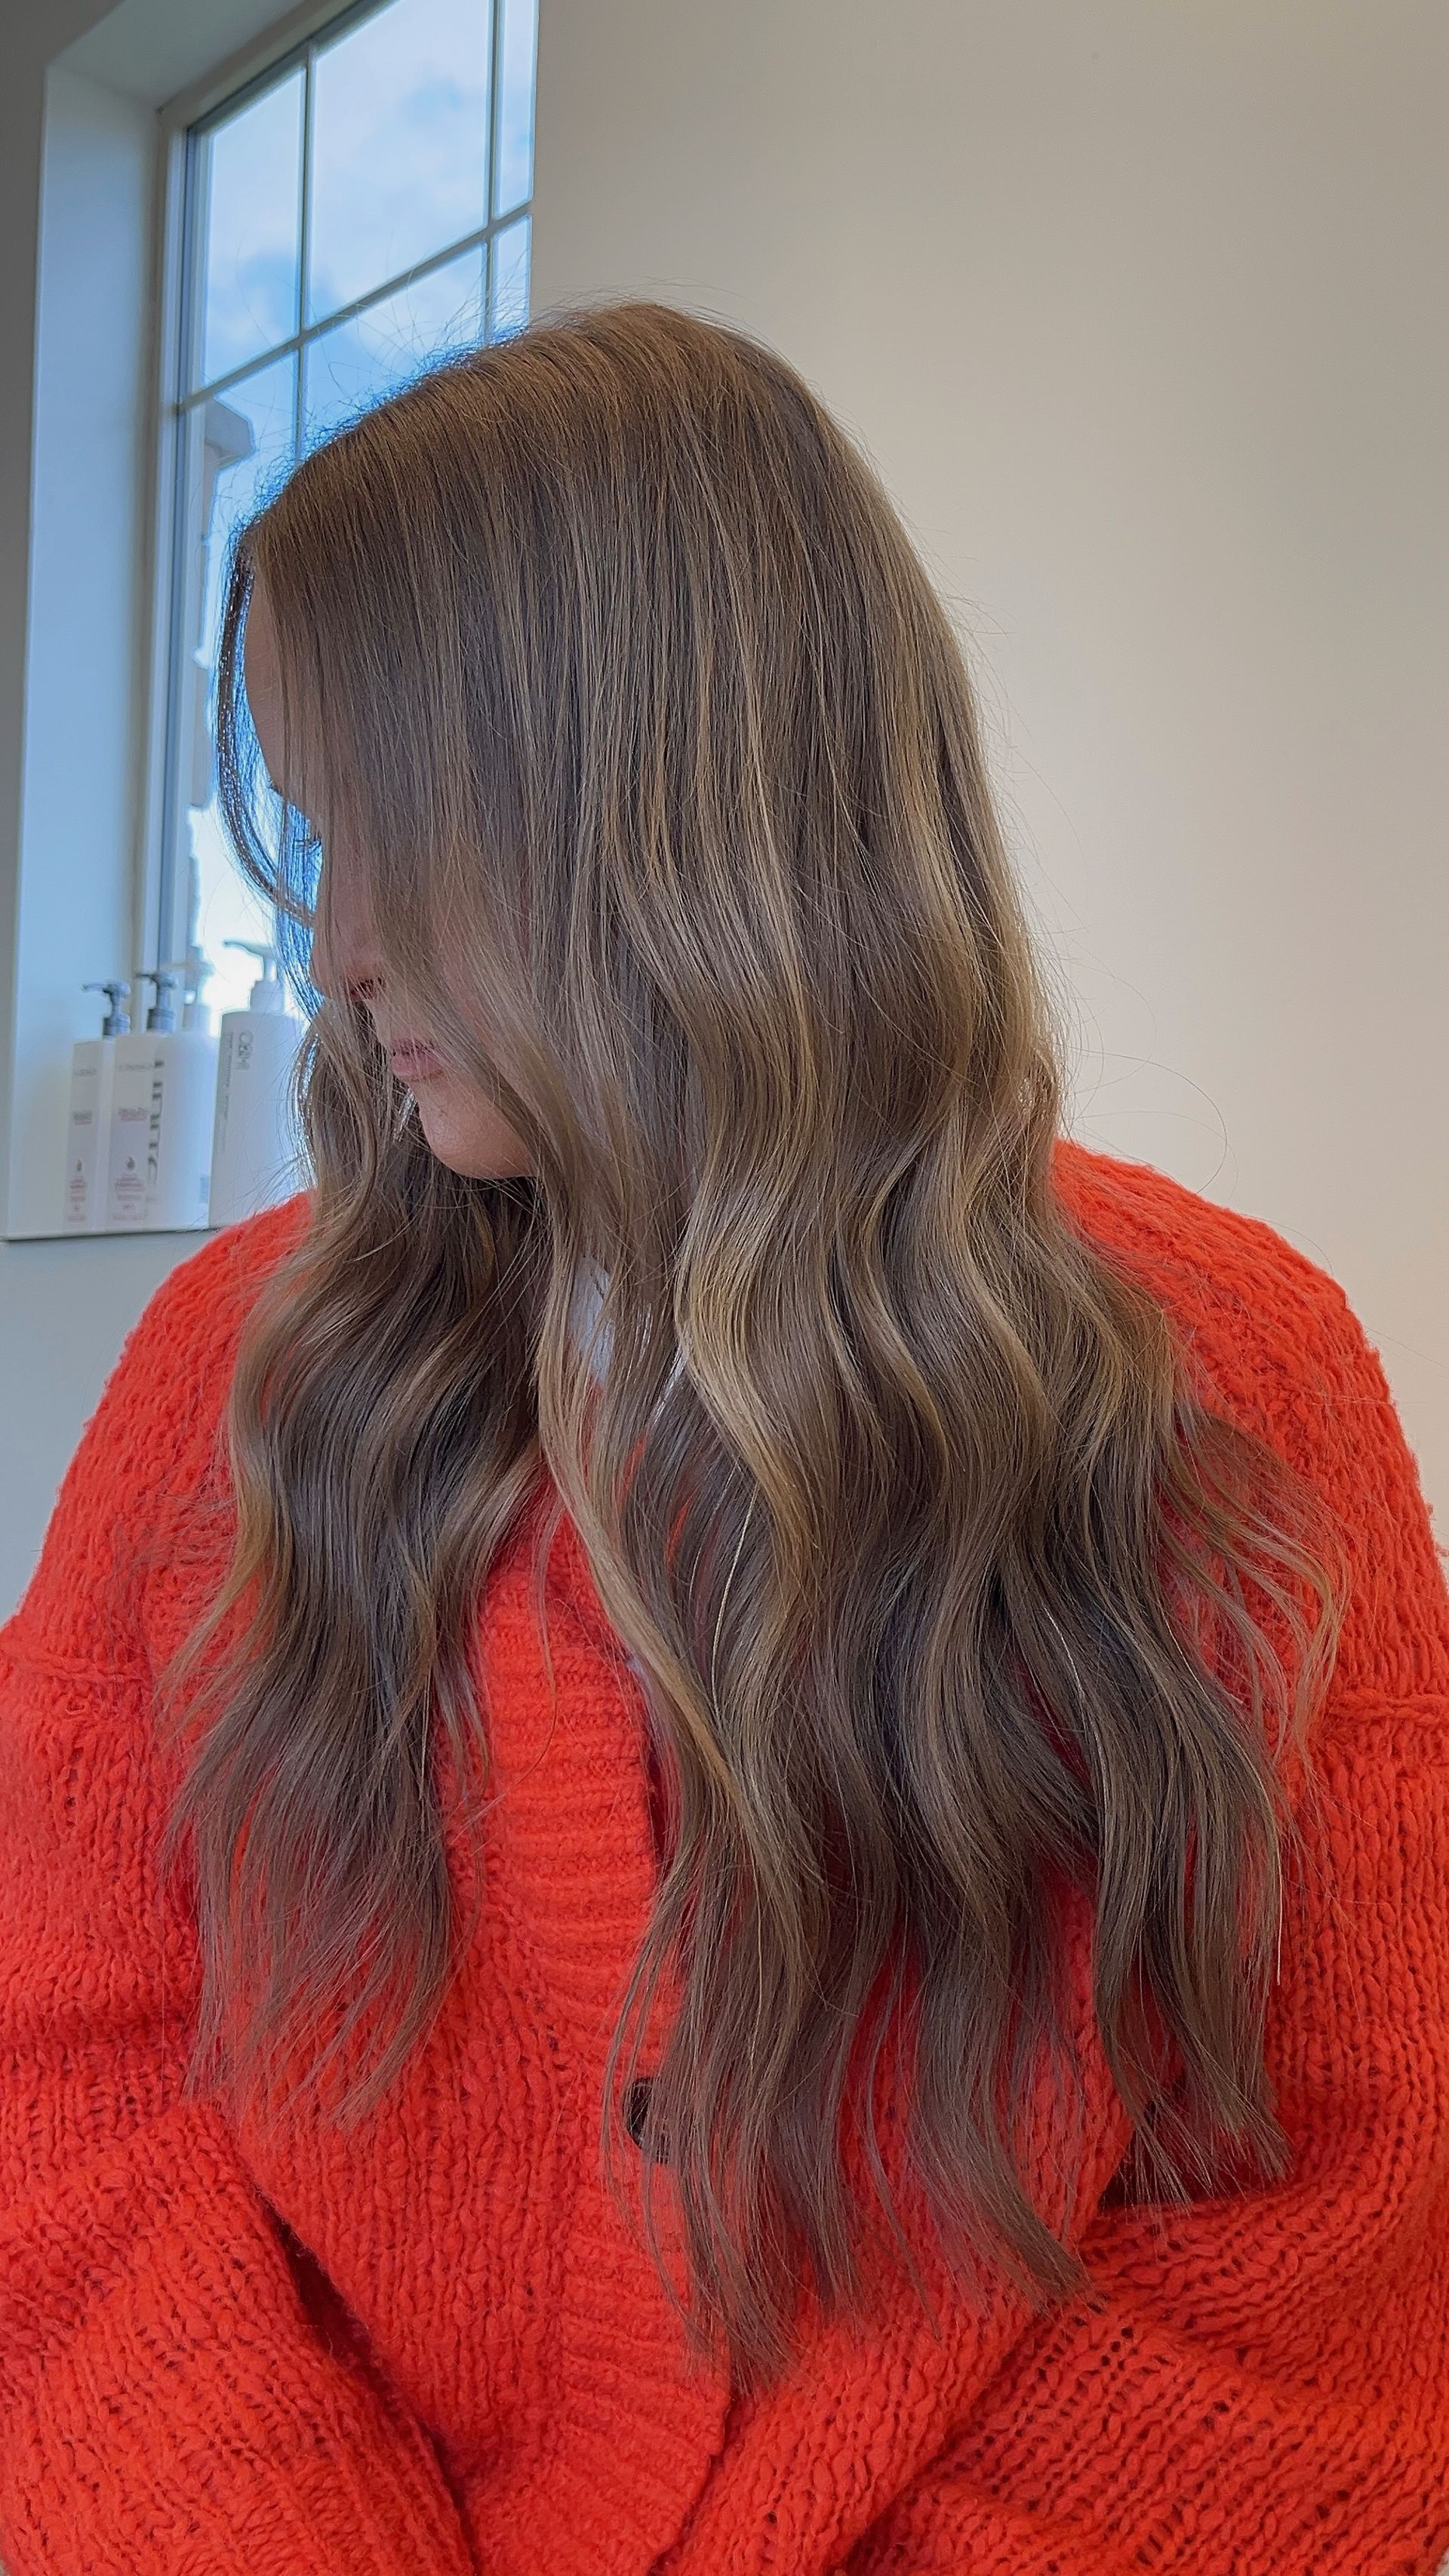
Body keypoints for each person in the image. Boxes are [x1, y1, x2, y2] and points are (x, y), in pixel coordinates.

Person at [2, 298, 1447, 2576]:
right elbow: (62, 2093)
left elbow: (1338, 2217)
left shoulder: (1225, 1380)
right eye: (308, 825)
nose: (333, 941)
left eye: (396, 826)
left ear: (663, 794)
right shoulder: (228, 1377)